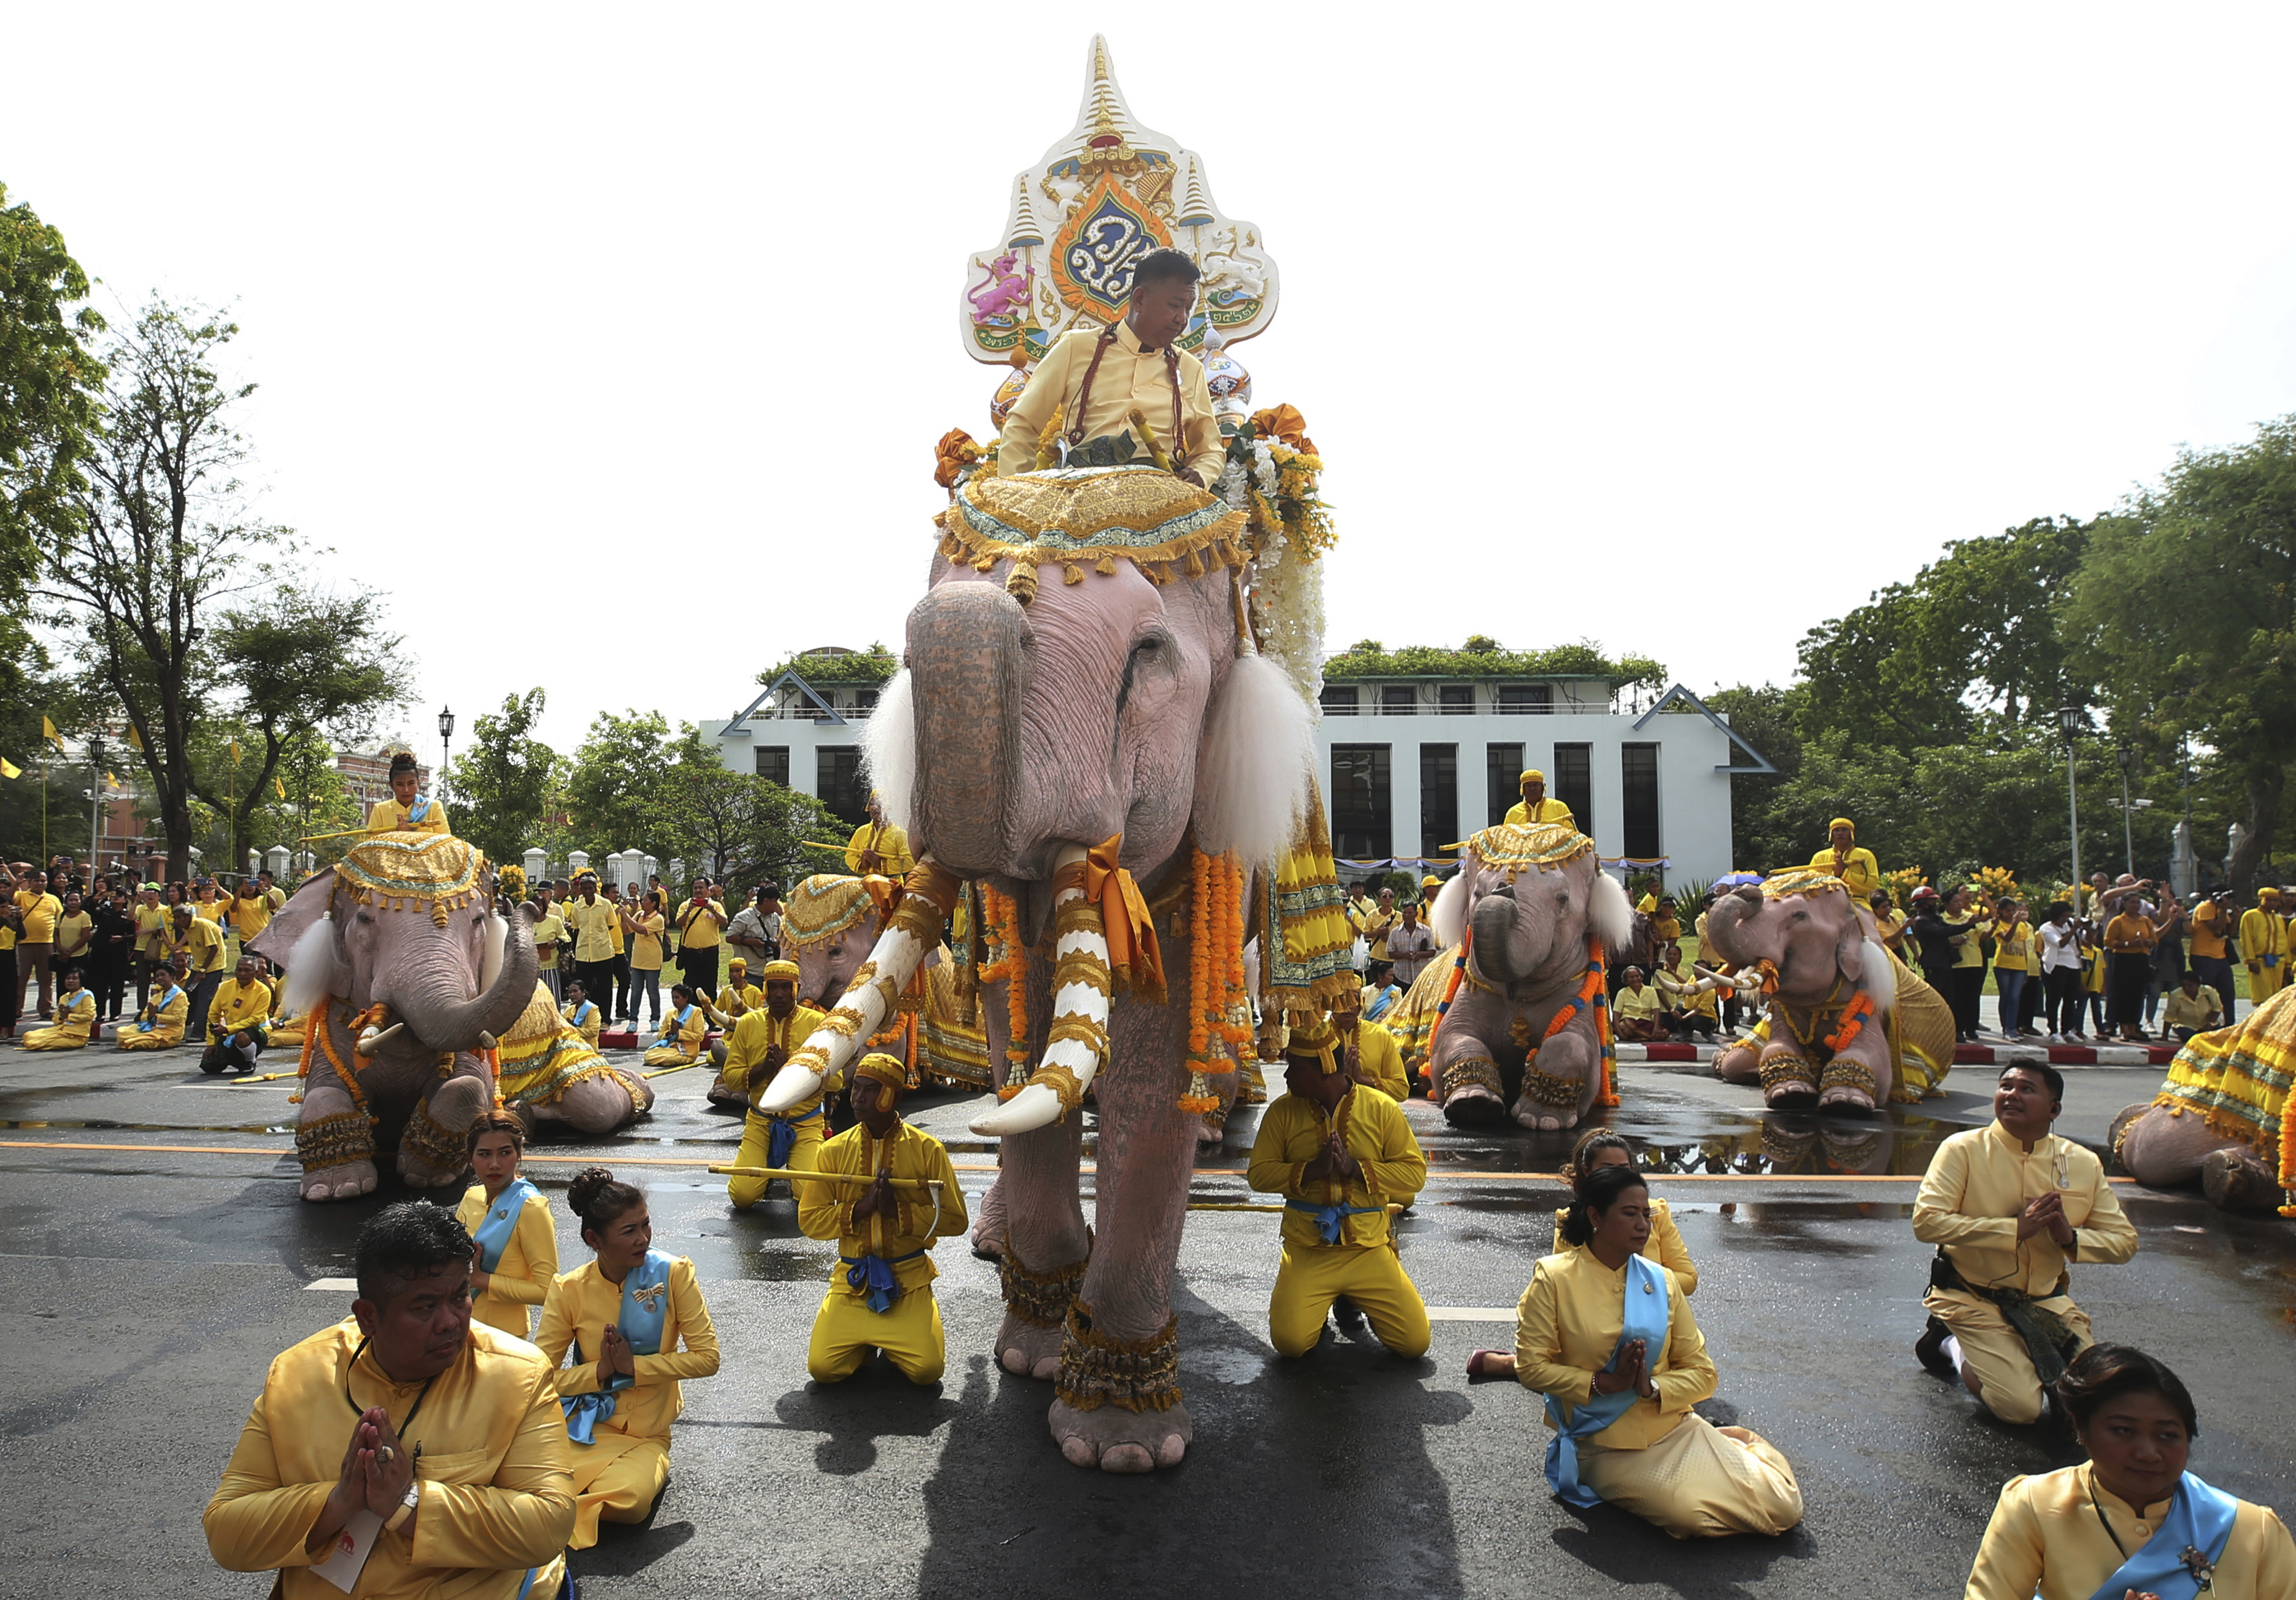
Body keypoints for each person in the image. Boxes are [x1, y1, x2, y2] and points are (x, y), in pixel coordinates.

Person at [203, 1201, 575, 1599]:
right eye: (426, 1306)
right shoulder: (297, 1375)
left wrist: (408, 1502)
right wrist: (337, 1502)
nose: (451, 1321)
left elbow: (549, 1524)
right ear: (368, 1317)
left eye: (459, 1297)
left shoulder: (518, 1375)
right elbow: (227, 1532)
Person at [1509, 1162, 1803, 1538]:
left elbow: (1703, 1374)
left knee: (1783, 1505)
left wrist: (1653, 1389)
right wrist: (1603, 1383)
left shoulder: (1661, 1281)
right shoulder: (1553, 1277)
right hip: (1603, 1445)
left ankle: (1735, 1446)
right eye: (1629, 1214)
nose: (1643, 1225)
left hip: (1675, 1429)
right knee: (1692, 1518)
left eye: (1645, 1214)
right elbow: (1531, 1367)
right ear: (1596, 1216)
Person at [1964, 1343, 2296, 1600]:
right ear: (2082, 1427)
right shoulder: (2035, 1505)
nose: (2149, 1453)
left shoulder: (2254, 1531)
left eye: (2168, 1435)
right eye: (2124, 1431)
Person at [1912, 1063, 2139, 1425]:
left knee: (2093, 1401)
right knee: (2022, 1409)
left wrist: (2069, 1238)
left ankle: (2003, 1352)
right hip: (1973, 1298)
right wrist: (2014, 1230)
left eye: (2027, 1089)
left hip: (2047, 1303)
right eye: (2005, 1086)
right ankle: (1950, 1342)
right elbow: (1927, 1223)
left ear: (2054, 1109)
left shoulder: (2082, 1163)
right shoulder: (1962, 1149)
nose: (2012, 1095)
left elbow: (2125, 1243)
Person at [534, 1167, 717, 1548]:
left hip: (649, 1434)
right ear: (593, 1239)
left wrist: (636, 1368)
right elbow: (540, 1378)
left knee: (630, 1501)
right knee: (521, 1473)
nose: (644, 1239)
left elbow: (707, 1358)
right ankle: (545, 1512)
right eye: (629, 1231)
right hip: (588, 1428)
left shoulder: (673, 1274)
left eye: (646, 1225)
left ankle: (545, 1518)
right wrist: (598, 1372)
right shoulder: (568, 1290)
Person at [1245, 1014, 1431, 1360]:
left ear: (1326, 1070)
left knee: (1415, 1344)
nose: (1285, 1077)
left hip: (1369, 1249)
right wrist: (1312, 1171)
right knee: (1291, 1345)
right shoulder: (1281, 1113)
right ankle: (1322, 1302)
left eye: (1294, 1068)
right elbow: (1259, 1175)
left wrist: (1356, 1170)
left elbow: (1414, 1176)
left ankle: (1355, 1297)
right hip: (1308, 1249)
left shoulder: (1382, 1109)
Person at [1468, 1128, 1702, 1381]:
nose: (1641, 1224)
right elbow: (1565, 1286)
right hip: (1593, 1325)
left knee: (1684, 1374)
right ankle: (1514, 1364)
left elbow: (1687, 1279)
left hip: (1651, 1318)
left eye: (1624, 1167)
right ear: (1586, 1172)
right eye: (1606, 1167)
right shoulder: (1573, 1219)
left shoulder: (1656, 1214)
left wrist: (1643, 1281)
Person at [799, 1052, 969, 1384]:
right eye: (856, 1088)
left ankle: (891, 1341)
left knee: (927, 1373)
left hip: (908, 1282)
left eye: (871, 1090)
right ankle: (864, 1345)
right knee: (823, 1369)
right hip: (853, 1283)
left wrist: (898, 1212)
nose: (859, 1098)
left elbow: (956, 1220)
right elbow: (810, 1221)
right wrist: (860, 1209)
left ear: (896, 1096)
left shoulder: (928, 1149)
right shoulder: (832, 1150)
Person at [993, 246, 1222, 483]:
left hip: (1163, 499)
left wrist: (1201, 476)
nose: (1182, 319)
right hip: (1079, 494)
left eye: (1188, 308)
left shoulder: (1190, 368)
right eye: (1175, 305)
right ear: (1140, 299)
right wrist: (1020, 490)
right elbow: (1023, 423)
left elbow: (1210, 449)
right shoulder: (1076, 347)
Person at [723, 963, 833, 1204]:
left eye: (786, 987)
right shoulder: (748, 1024)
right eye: (774, 987)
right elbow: (731, 1078)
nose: (780, 993)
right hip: (761, 1122)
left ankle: (784, 1169)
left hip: (806, 1124)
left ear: (797, 988)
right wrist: (764, 1069)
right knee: (742, 1196)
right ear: (765, 989)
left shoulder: (819, 1023)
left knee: (810, 1197)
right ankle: (763, 1172)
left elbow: (835, 1081)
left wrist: (789, 1067)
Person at [455, 1110, 559, 1340]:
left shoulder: (531, 1207)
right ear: (471, 1158)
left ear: (518, 1154)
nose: (494, 1164)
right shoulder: (471, 1197)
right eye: (484, 1154)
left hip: (504, 1338)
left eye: (505, 1153)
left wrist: (483, 1281)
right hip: (458, 1329)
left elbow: (548, 1291)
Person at [199, 955, 274, 1075]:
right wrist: (212, 1043)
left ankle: (250, 1060)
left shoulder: (263, 991)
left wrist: (228, 1029)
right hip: (230, 1031)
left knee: (242, 1037)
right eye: (239, 970)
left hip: (256, 1030)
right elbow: (213, 1015)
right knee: (209, 1066)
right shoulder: (226, 987)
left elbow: (255, 1020)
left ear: (255, 973)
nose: (243, 974)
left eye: (247, 971)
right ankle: (237, 1060)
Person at [7, 863, 62, 1020]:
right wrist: (17, 883)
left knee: (46, 979)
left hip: (47, 944)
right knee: (21, 979)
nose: (40, 883)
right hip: (25, 944)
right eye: (37, 881)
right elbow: (8, 899)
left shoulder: (53, 899)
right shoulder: (22, 896)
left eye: (43, 881)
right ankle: (17, 1009)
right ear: (30, 883)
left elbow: (60, 920)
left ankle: (45, 1009)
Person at [2105, 887, 2161, 1042]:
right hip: (2123, 959)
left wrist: (2149, 942)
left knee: (2139, 994)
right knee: (2124, 994)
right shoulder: (2118, 921)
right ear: (2124, 904)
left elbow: (2155, 939)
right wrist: (2128, 944)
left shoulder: (2146, 921)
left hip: (2141, 958)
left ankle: (2134, 1027)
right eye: (2132, 903)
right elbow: (2109, 942)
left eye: (2138, 903)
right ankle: (2124, 1029)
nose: (2135, 906)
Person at [169, 901, 230, 1037]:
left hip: (213, 966)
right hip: (198, 966)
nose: (177, 921)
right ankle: (187, 1023)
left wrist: (203, 971)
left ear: (188, 916)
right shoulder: (187, 928)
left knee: (204, 997)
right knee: (188, 994)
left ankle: (200, 1033)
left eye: (179, 918)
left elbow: (214, 948)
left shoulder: (202, 925)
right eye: (175, 918)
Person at [1330, 999, 1410, 1102]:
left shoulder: (1380, 1035)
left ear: (1362, 1001)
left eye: (1354, 999)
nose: (1348, 1005)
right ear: (1330, 1000)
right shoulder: (1317, 1035)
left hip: (1370, 1112)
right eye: (1341, 997)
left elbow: (1401, 1091)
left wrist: (1361, 1079)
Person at [564, 873, 619, 1014]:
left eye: (590, 888)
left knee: (605, 988)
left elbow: (611, 925)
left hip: (603, 953)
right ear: (581, 889)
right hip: (583, 954)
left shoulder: (606, 904)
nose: (588, 891)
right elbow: (576, 928)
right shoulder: (577, 907)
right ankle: (586, 1017)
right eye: (584, 889)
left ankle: (605, 1019)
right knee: (585, 989)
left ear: (596, 888)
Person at [366, 750, 452, 835]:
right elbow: (371, 845)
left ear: (418, 783)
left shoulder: (433, 807)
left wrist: (409, 834)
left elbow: (446, 843)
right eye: (400, 784)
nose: (406, 790)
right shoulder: (380, 810)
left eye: (411, 784)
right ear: (392, 785)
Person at [118, 957, 191, 1049]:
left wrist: (156, 1016)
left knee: (134, 1044)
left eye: (163, 975)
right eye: (157, 976)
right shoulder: (157, 996)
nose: (160, 978)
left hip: (170, 1034)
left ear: (172, 976)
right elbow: (143, 1017)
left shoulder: (180, 995)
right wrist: (150, 1016)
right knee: (122, 1033)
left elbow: (178, 1019)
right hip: (154, 1029)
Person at [2039, 901, 2087, 1042]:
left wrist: (2086, 928)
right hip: (2056, 965)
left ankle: (2067, 1030)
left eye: (2068, 916)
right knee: (2055, 999)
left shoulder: (2071, 923)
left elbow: (2086, 940)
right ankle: (2053, 1031)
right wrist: (2073, 930)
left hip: (2073, 964)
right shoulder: (2047, 928)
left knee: (2070, 999)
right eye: (2063, 917)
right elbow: (2060, 943)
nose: (2066, 920)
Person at [2188, 890, 2239, 1022]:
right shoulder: (2204, 908)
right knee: (2206, 993)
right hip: (2203, 956)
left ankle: (2230, 1023)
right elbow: (2216, 930)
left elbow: (2229, 933)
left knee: (2228, 992)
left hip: (2221, 957)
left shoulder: (2221, 908)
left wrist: (2236, 917)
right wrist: (2223, 911)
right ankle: (2204, 1023)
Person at [20, 965, 98, 1050]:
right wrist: (62, 1017)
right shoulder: (64, 998)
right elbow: (56, 1019)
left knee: (37, 1043)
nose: (71, 981)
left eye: (75, 979)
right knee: (28, 1035)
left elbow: (89, 1016)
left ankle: (34, 1043)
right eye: (68, 978)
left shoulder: (86, 996)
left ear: (81, 982)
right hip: (61, 1031)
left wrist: (69, 1017)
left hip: (77, 1036)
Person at [86, 886, 134, 1020]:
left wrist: (122, 939)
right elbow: (91, 912)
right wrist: (95, 900)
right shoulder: (103, 911)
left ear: (125, 899)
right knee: (100, 984)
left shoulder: (127, 915)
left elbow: (133, 935)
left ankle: (115, 1013)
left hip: (119, 954)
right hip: (101, 952)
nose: (116, 897)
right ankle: (100, 1012)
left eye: (120, 895)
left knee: (117, 985)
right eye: (114, 894)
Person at [673, 879, 726, 999]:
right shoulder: (685, 905)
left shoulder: (716, 906)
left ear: (708, 890)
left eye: (701, 888)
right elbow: (679, 923)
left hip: (710, 953)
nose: (698, 890)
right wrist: (689, 911)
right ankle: (693, 1016)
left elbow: (724, 923)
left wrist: (713, 910)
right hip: (691, 954)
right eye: (696, 888)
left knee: (710, 986)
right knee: (691, 986)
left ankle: (710, 1016)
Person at [619, 890, 665, 1026]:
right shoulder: (640, 915)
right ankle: (633, 1019)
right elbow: (627, 931)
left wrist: (626, 916)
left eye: (645, 900)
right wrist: (623, 918)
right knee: (635, 992)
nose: (642, 902)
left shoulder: (658, 918)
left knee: (653, 991)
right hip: (637, 961)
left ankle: (655, 1019)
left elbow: (642, 930)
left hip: (652, 961)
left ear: (653, 903)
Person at [844, 794, 915, 879]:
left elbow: (910, 862)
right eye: (872, 804)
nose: (875, 808)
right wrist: (863, 864)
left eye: (880, 804)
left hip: (893, 885)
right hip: (867, 883)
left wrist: (880, 864)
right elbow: (850, 856)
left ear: (887, 808)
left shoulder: (900, 834)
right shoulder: (861, 831)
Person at [1991, 899, 2033, 1041]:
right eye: (2009, 911)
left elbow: (2023, 947)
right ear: (2001, 911)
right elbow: (2007, 938)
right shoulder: (1999, 924)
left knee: (2015, 998)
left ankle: (2012, 1028)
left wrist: (2026, 968)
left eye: (2014, 910)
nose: (2012, 913)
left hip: (2020, 966)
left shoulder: (2023, 926)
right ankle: (2007, 1028)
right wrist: (2014, 923)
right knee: (2007, 997)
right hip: (2003, 965)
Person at [641, 982, 709, 1069]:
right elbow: (660, 1036)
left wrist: (679, 1033)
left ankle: (663, 1062)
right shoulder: (670, 1013)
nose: (675, 1001)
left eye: (677, 998)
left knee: (668, 1059)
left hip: (687, 1052)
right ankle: (662, 1062)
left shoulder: (696, 1012)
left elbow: (699, 1037)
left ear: (686, 998)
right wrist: (670, 1033)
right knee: (648, 1055)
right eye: (673, 998)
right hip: (670, 1048)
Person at [2241, 887, 2288, 1004]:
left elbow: (2284, 942)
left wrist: (2287, 963)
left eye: (2275, 900)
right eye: (2269, 900)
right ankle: (2263, 1020)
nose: (2273, 903)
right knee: (2263, 997)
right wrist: (2251, 960)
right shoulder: (2250, 916)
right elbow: (2246, 939)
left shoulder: (2278, 919)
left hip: (2278, 961)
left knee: (2277, 997)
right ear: (2261, 900)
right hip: (2260, 962)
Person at [131, 882, 170, 1015]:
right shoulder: (141, 909)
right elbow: (130, 917)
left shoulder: (165, 910)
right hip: (142, 948)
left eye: (154, 893)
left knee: (161, 980)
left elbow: (166, 930)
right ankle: (142, 1009)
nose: (151, 896)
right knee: (143, 980)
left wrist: (151, 930)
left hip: (159, 948)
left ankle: (159, 1006)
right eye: (148, 893)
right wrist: (136, 901)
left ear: (159, 896)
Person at [1385, 897, 1438, 988]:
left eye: (1410, 913)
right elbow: (1390, 953)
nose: (1407, 916)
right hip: (1401, 977)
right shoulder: (1395, 933)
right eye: (1405, 913)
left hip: (1421, 976)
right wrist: (1403, 955)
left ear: (1416, 914)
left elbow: (1433, 951)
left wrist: (1421, 954)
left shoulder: (1426, 931)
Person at [2161, 968, 2224, 1042]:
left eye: (2190, 986)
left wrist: (2211, 1024)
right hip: (2186, 1026)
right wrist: (2164, 1036)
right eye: (2184, 985)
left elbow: (2217, 1008)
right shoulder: (2175, 995)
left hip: (2208, 1025)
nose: (2187, 988)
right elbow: (2169, 1017)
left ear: (2198, 985)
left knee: (2220, 1037)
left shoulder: (2208, 991)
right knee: (2192, 1038)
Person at [1503, 769, 1575, 829]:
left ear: (1543, 787)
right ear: (1522, 789)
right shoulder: (1513, 813)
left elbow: (1573, 836)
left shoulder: (1559, 807)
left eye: (1536, 785)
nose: (1532, 788)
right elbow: (1505, 839)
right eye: (1528, 786)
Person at [530, 885, 567, 1003]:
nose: (537, 908)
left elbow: (565, 936)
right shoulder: (526, 922)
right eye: (534, 905)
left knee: (553, 998)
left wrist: (556, 942)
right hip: (531, 967)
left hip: (550, 965)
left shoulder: (554, 920)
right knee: (535, 1001)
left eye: (539, 905)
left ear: (545, 906)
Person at [1613, 966, 1666, 1042]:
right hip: (1629, 1022)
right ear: (1626, 981)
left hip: (1646, 1022)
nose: (1635, 979)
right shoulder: (1622, 993)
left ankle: (1639, 1037)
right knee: (1625, 1026)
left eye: (1637, 976)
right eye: (1631, 977)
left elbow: (1656, 1011)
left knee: (1665, 1033)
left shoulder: (1651, 991)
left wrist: (1656, 1028)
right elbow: (1616, 1014)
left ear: (1642, 978)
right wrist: (1619, 1032)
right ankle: (1650, 1037)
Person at [1351, 884, 1400, 966]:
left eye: (1390, 896)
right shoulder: (1372, 915)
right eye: (1384, 896)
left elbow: (1405, 935)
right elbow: (1365, 935)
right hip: (1376, 957)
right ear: (1379, 900)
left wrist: (1390, 938)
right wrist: (1378, 932)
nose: (1388, 898)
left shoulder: (1400, 916)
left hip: (1394, 957)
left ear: (1393, 900)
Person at [712, 956, 762, 1025]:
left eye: (738, 971)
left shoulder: (755, 991)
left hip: (749, 1031)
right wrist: (727, 1025)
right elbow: (716, 1012)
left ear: (744, 972)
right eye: (732, 971)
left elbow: (761, 1014)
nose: (734, 975)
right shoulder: (726, 991)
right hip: (730, 1033)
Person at [560, 979, 602, 1049]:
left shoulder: (592, 1009)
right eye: (570, 992)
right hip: (572, 1049)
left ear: (584, 992)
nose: (572, 995)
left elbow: (593, 1032)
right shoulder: (569, 1009)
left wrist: (572, 1030)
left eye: (575, 991)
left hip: (588, 1049)